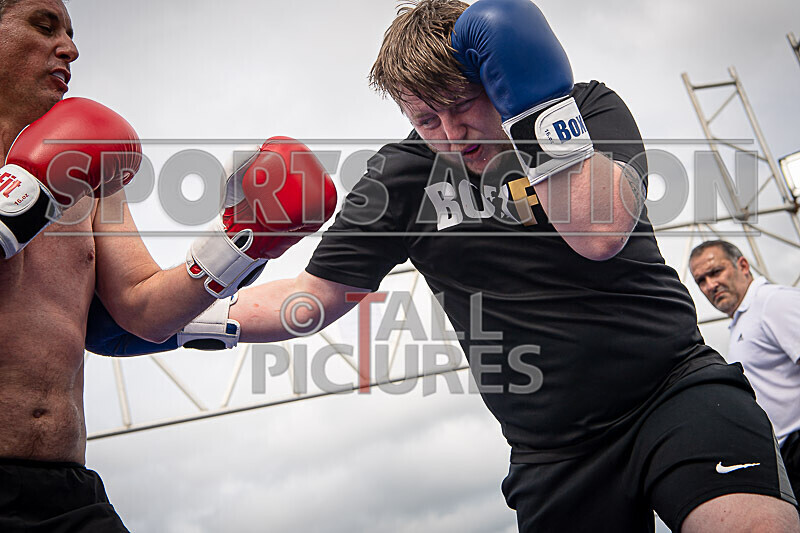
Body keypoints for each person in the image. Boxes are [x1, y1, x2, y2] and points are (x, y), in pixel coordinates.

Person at [91, 0, 798, 531]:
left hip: (674, 391)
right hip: (551, 453)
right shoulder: (400, 175)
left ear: (499, 75)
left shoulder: (580, 111)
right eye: (427, 119)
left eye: (463, 106)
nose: (452, 135)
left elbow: (599, 232)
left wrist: (537, 108)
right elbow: (314, 295)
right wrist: (181, 322)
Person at [0, 1, 336, 530]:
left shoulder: (87, 164)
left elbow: (144, 309)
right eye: (44, 26)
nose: (69, 47)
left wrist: (243, 239)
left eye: (69, 31)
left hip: (64, 486)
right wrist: (16, 205)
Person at [690, 239, 800, 500]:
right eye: (701, 281)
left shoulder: (772, 302)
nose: (710, 285)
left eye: (716, 272)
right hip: (783, 460)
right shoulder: (744, 322)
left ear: (742, 265)